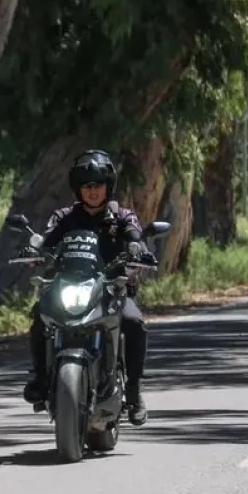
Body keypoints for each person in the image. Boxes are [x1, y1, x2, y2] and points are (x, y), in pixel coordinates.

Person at [23, 149, 156, 426]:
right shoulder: (64, 217)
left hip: (112, 288)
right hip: (70, 285)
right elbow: (47, 239)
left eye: (98, 185)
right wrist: (35, 251)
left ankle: (134, 391)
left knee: (134, 321)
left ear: (108, 186)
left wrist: (138, 249)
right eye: (87, 186)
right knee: (40, 316)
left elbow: (134, 235)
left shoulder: (122, 216)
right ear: (78, 189)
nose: (93, 191)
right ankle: (40, 377)